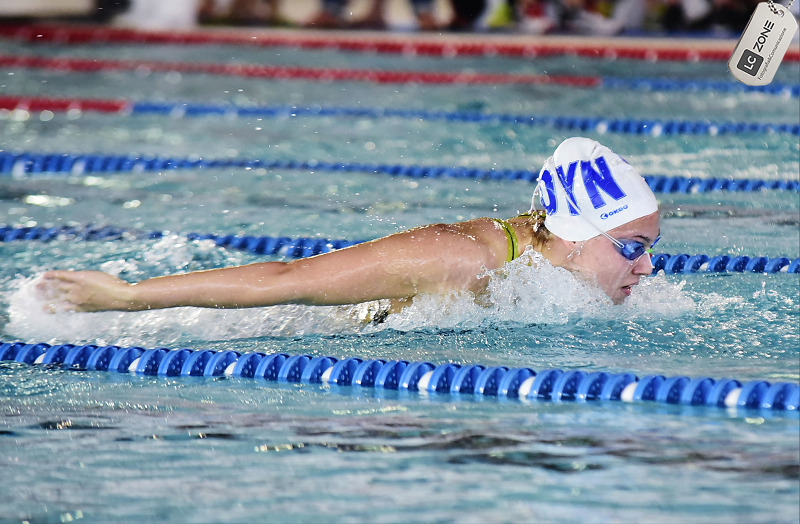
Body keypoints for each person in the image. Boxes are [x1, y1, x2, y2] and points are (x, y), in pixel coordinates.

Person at [38, 138, 660, 317]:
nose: (647, 267)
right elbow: (285, 280)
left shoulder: (556, 257)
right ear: (576, 235)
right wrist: (127, 297)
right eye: (632, 247)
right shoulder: (461, 259)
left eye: (650, 248)